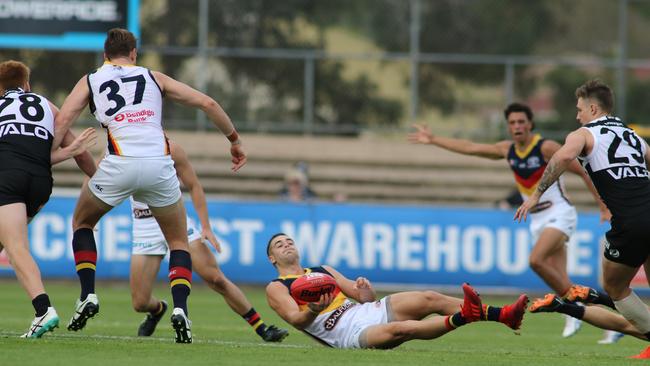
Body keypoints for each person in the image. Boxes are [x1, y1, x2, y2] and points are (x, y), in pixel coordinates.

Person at [53, 28, 246, 343]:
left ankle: (88, 293)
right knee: (178, 242)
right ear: (133, 54)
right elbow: (208, 103)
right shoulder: (153, 77)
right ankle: (180, 309)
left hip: (118, 163)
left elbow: (62, 123)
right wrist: (235, 141)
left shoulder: (90, 80)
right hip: (159, 165)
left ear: (105, 55)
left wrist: (48, 156)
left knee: (82, 222)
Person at [408, 102, 610, 338]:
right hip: (536, 218)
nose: (517, 126)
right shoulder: (508, 150)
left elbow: (584, 171)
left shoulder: (545, 147)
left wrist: (603, 206)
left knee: (536, 260)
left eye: (521, 122)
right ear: (508, 126)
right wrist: (433, 140)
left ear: (530, 124)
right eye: (512, 122)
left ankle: (573, 310)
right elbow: (471, 147)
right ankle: (609, 325)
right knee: (566, 283)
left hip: (559, 212)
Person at [515, 79, 650, 357]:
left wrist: (537, 194)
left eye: (579, 110)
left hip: (632, 220)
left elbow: (562, 158)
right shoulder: (634, 136)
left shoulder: (584, 134)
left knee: (614, 285)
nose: (577, 116)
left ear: (592, 108)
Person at [129, 139, 288, 342]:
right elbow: (96, 177)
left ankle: (262, 328)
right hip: (145, 226)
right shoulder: (120, 146)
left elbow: (194, 185)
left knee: (216, 279)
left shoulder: (171, 148)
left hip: (175, 220)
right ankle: (158, 310)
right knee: (140, 303)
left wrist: (205, 227)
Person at [265, 233, 528, 349]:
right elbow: (296, 320)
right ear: (272, 258)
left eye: (289, 241)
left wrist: (365, 290)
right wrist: (313, 310)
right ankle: (464, 316)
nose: (286, 245)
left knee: (429, 298)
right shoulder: (276, 287)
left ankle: (504, 315)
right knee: (403, 329)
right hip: (346, 333)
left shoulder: (322, 270)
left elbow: (365, 299)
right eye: (279, 245)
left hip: (365, 312)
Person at [0, 60, 97, 338]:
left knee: (15, 247)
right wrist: (102, 191)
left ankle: (43, 310)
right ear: (27, 84)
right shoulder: (47, 106)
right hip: (41, 183)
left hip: (9, 179)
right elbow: (79, 153)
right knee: (6, 240)